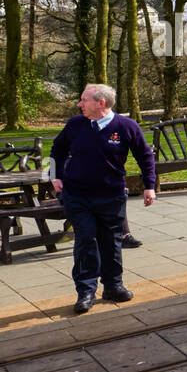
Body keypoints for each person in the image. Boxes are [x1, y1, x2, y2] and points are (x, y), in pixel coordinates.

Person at [50, 84, 157, 314]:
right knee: (86, 239)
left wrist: (149, 186)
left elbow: (145, 156)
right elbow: (56, 151)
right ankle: (86, 291)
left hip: (111, 196)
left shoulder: (126, 127)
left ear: (101, 103)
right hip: (77, 196)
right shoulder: (75, 125)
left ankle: (113, 286)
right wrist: (54, 176)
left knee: (111, 241)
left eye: (84, 100)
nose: (79, 104)